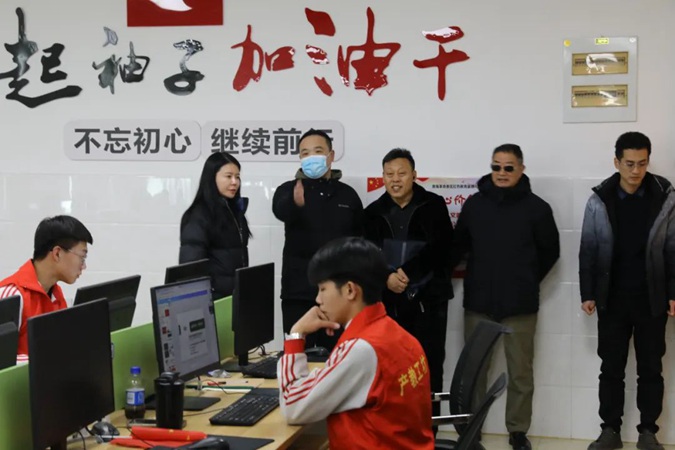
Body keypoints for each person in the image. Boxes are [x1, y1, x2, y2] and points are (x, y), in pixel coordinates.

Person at [277, 237, 434, 450]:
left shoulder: (362, 349)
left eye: (323, 289)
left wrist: (297, 335)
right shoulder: (397, 334)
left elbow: (292, 406)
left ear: (350, 290)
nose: (318, 300)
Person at [451, 143, 560, 450]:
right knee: (474, 373)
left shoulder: (538, 208)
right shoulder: (474, 205)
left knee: (521, 373)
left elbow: (550, 252)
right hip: (479, 303)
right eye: (496, 167)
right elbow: (458, 247)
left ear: (521, 169)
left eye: (508, 167)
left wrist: (525, 280)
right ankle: (470, 429)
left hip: (520, 305)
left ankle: (518, 432)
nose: (501, 173)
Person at [580, 132, 675, 450]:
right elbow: (588, 249)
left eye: (642, 163)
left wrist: (673, 292)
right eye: (630, 163)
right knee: (611, 368)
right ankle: (610, 431)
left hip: (652, 298)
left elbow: (673, 249)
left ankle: (648, 432)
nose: (636, 171)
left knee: (651, 368)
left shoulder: (665, 197)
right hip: (612, 298)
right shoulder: (599, 199)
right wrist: (588, 293)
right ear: (617, 162)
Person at [363, 148, 453, 421]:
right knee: (389, 368)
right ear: (382, 177)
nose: (395, 179)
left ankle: (428, 429)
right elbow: (366, 254)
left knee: (429, 366)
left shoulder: (433, 205)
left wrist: (407, 273)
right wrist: (386, 277)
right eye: (389, 174)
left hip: (429, 303)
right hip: (388, 305)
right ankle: (393, 429)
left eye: (402, 173)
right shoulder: (372, 213)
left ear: (414, 175)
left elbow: (443, 249)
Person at [272, 129, 362, 350]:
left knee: (339, 358)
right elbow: (280, 210)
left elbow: (360, 242)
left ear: (331, 156)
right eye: (305, 153)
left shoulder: (348, 195)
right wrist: (295, 203)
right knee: (297, 355)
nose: (311, 157)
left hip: (340, 296)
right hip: (298, 295)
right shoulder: (289, 190)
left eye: (317, 151)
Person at [0, 215, 93, 356]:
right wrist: (43, 362)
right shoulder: (12, 295)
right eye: (82, 257)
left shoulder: (56, 293)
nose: (83, 266)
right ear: (57, 253)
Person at [179, 152, 251, 299]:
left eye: (237, 177)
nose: (235, 182)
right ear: (212, 178)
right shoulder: (198, 216)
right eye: (228, 176)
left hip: (233, 297)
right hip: (213, 301)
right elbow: (192, 270)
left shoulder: (234, 211)